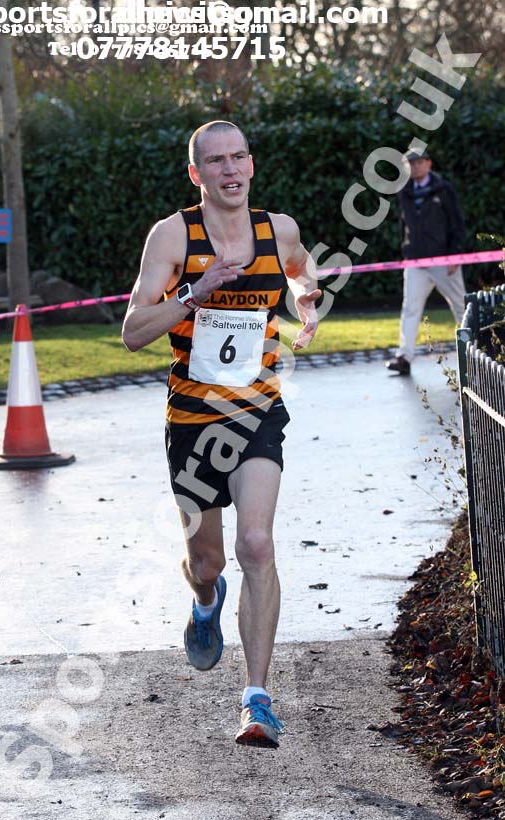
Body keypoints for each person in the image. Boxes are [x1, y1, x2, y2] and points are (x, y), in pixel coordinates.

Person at [122, 120, 321, 749]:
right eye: (216, 161)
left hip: (257, 410)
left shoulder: (277, 230)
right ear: (197, 174)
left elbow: (302, 272)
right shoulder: (173, 236)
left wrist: (306, 301)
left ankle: (257, 701)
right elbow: (132, 331)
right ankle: (205, 601)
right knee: (206, 562)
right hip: (192, 422)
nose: (230, 169)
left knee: (256, 543)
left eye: (238, 158)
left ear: (251, 165)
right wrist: (194, 291)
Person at [386, 149, 466, 375]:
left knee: (461, 307)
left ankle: (473, 351)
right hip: (415, 262)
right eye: (411, 164)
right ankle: (404, 357)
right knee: (410, 309)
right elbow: (404, 225)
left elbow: (457, 223)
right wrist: (406, 251)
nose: (416, 167)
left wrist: (455, 254)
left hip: (444, 261)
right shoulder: (405, 192)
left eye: (420, 162)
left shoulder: (444, 189)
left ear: (429, 163)